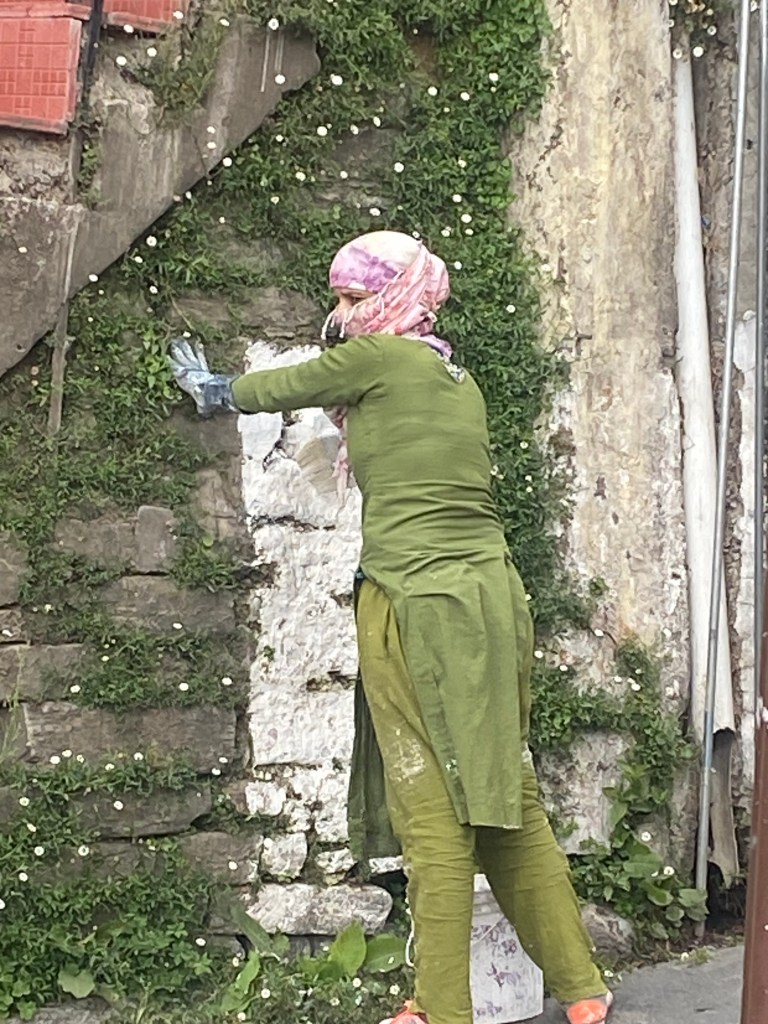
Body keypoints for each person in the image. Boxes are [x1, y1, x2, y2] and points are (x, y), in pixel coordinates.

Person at [169, 230, 612, 1024]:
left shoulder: (377, 359)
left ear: (389, 298)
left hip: (415, 604)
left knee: (432, 815)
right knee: (507, 800)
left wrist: (217, 388)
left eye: (351, 297)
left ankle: (441, 1008)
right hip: (491, 602)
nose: (341, 312)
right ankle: (584, 990)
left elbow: (289, 384)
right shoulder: (454, 377)